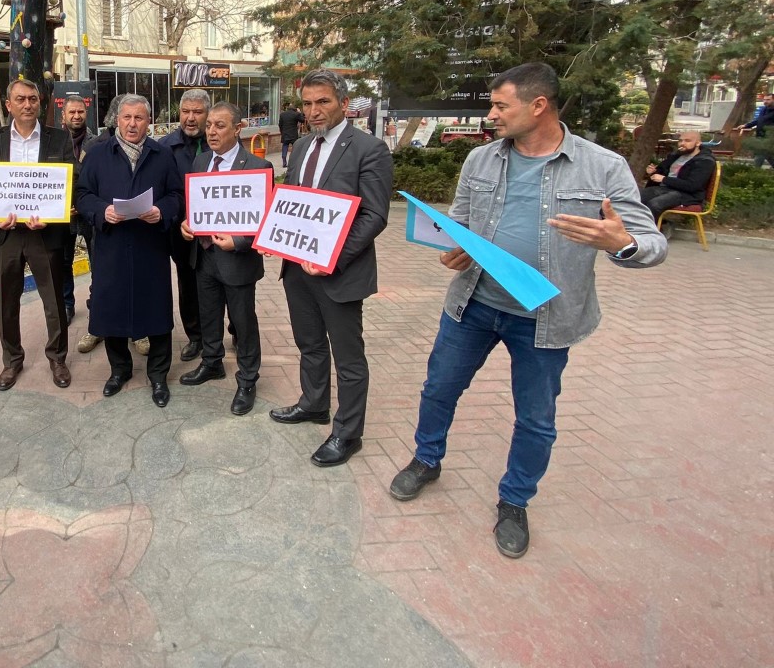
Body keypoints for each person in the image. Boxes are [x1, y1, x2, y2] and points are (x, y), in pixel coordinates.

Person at [388, 63, 667, 559]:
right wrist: (454, 245)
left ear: (538, 106)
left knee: (536, 420)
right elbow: (463, 220)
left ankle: (514, 501)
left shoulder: (601, 167)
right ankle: (426, 460)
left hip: (545, 319)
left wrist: (621, 243)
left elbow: (650, 242)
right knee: (438, 389)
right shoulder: (480, 159)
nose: (491, 114)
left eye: (501, 105)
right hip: (472, 303)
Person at [270, 68, 394, 468]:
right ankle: (314, 403)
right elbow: (293, 199)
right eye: (307, 104)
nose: (314, 111)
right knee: (309, 343)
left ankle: (347, 432)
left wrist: (332, 259)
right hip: (297, 267)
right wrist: (278, 234)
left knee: (348, 357)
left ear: (343, 103)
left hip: (339, 272)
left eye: (322, 102)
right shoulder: (304, 145)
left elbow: (374, 215)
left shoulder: (369, 149)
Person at [76, 94, 183, 407]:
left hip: (151, 247)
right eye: (127, 118)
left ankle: (159, 375)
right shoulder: (97, 155)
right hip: (111, 246)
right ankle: (119, 370)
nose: (133, 124)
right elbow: (83, 196)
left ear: (148, 121)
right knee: (111, 310)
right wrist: (102, 211)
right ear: (117, 120)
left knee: (157, 311)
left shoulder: (162, 155)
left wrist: (162, 211)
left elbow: (177, 195)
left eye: (139, 118)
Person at [0, 79, 74, 391]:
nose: (28, 104)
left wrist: (55, 211)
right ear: (9, 105)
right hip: (6, 234)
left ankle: (57, 357)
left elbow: (71, 178)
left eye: (33, 99)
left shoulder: (59, 138)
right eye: (21, 99)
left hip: (45, 233)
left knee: (54, 300)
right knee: (6, 301)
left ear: (40, 103)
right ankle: (12, 360)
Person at [177, 103, 272, 415]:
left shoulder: (258, 166)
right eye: (209, 126)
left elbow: (267, 221)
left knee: (243, 322)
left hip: (238, 261)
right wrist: (187, 225)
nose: (212, 132)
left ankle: (247, 379)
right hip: (204, 257)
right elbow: (196, 207)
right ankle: (212, 362)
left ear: (238, 128)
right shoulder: (200, 161)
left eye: (219, 126)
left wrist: (240, 241)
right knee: (209, 316)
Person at [159, 88, 211, 362]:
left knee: (224, 283)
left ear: (208, 114)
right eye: (186, 112)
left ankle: (235, 331)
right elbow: (162, 190)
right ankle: (195, 337)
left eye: (197, 112)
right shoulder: (165, 147)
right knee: (187, 285)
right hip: (182, 232)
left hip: (218, 230)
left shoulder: (219, 141)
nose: (190, 118)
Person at [60, 95, 97, 330]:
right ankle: (67, 304)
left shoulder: (99, 141)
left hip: (90, 212)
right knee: (63, 261)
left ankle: (97, 301)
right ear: (64, 115)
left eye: (80, 112)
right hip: (63, 214)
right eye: (71, 112)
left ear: (86, 114)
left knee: (98, 259)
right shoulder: (53, 142)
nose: (76, 116)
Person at [640, 130, 716, 222]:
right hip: (666, 189)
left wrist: (664, 179)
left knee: (655, 204)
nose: (682, 143)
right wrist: (652, 172)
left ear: (698, 143)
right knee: (635, 198)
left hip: (688, 195)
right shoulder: (676, 156)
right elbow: (660, 172)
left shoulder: (704, 161)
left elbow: (693, 186)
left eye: (687, 141)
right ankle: (646, 226)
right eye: (680, 141)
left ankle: (651, 233)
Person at [278, 102, 305, 166]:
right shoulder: (296, 114)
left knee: (285, 146)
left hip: (285, 134)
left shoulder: (282, 114)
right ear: (294, 109)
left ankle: (284, 160)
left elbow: (280, 124)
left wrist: (282, 132)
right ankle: (295, 161)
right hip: (293, 134)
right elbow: (303, 120)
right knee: (295, 147)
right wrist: (299, 113)